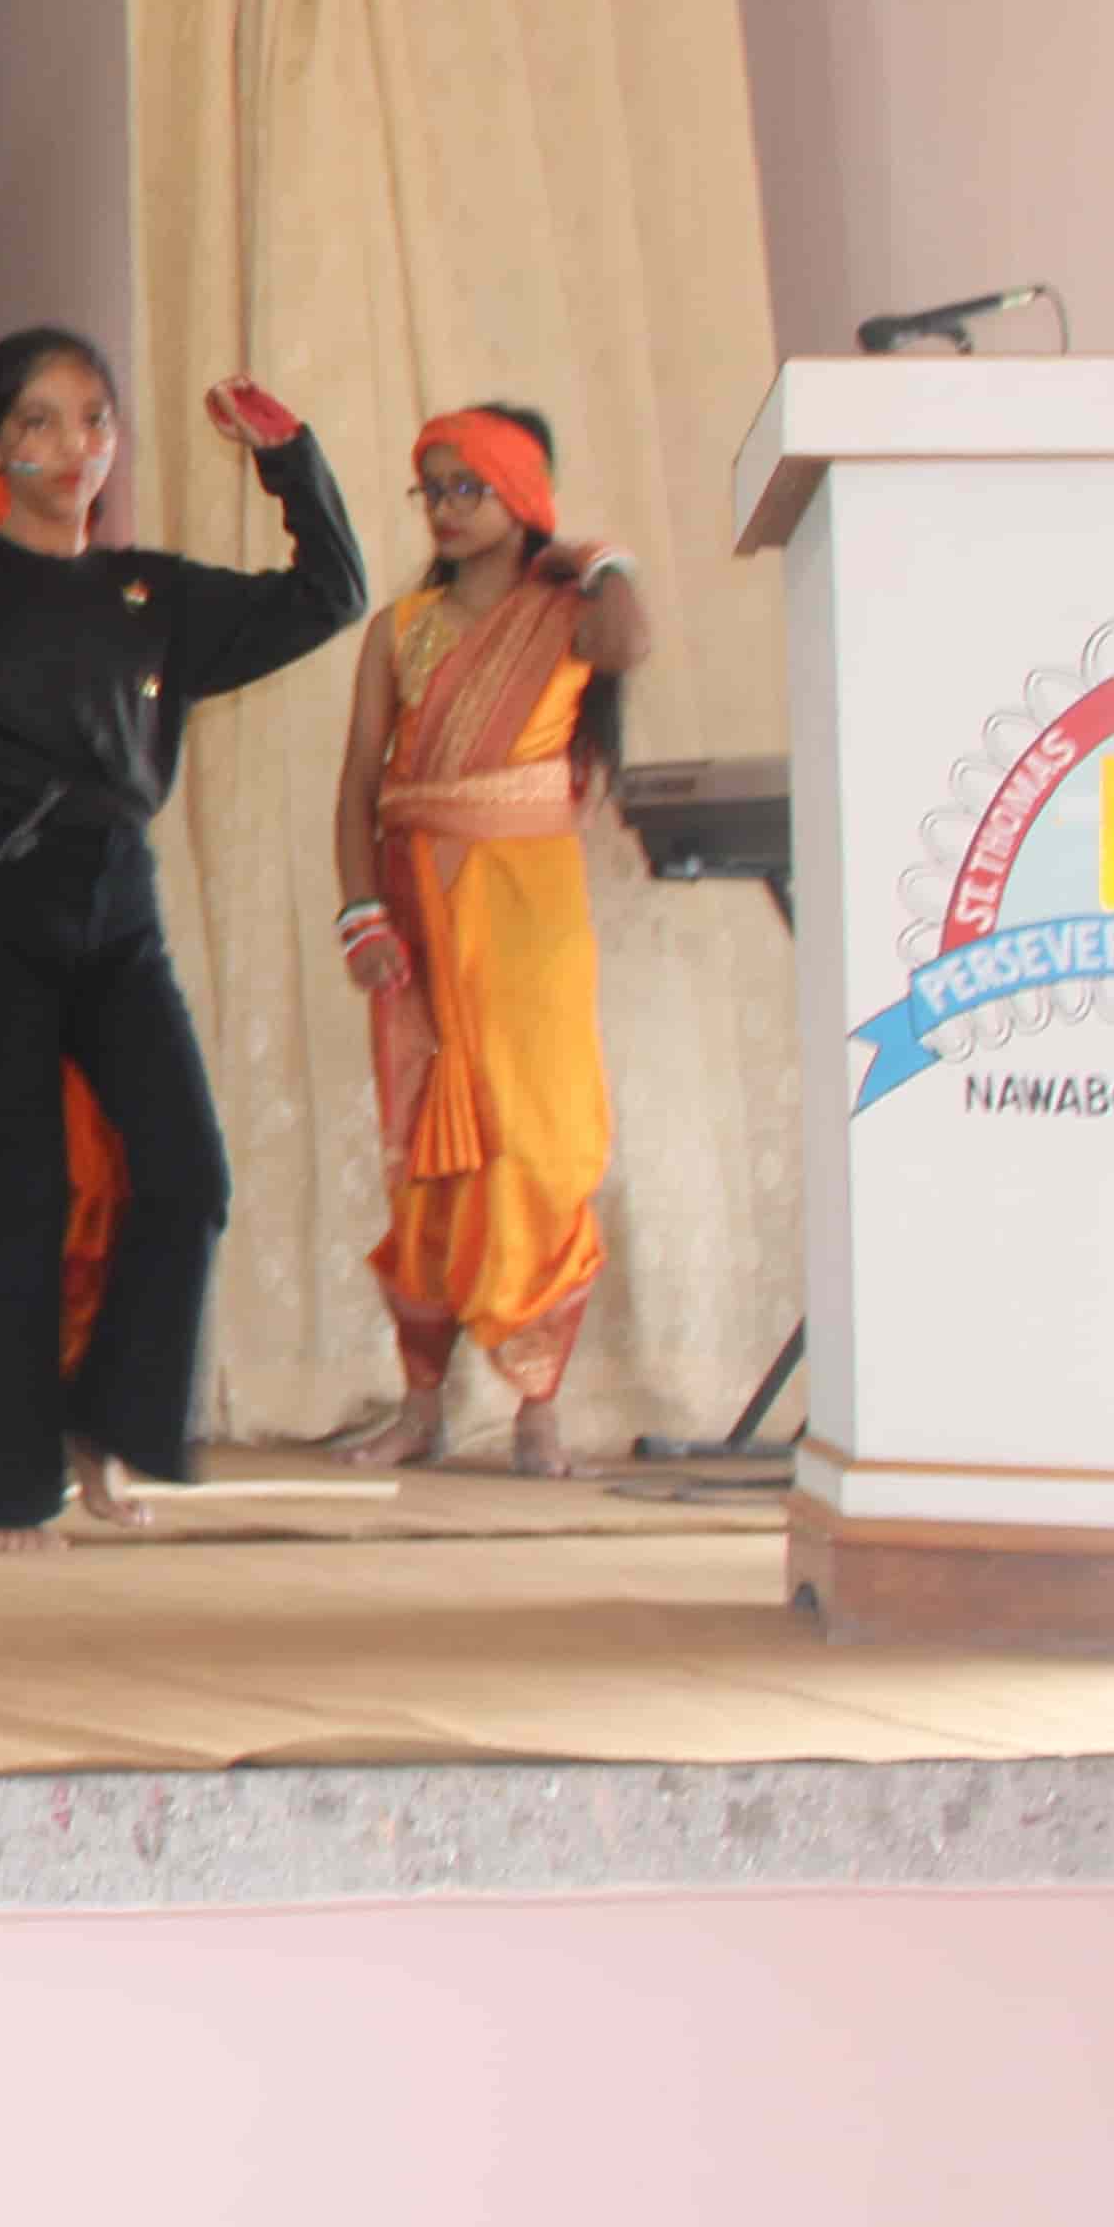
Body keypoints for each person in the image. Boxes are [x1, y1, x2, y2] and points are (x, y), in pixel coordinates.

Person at [0, 329, 365, 1545]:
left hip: (117, 899)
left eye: (94, 417)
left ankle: (109, 1422)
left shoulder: (153, 594)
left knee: (188, 1172)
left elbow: (330, 593)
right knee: (19, 1196)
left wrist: (291, 458)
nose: (73, 443)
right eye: (39, 420)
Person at [324, 405, 644, 1474]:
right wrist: (360, 913)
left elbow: (628, 643)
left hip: (529, 919)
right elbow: (360, 780)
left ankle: (537, 1403)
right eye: (434, 490)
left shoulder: (567, 614)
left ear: (521, 495)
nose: (449, 509)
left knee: (542, 1147)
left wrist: (600, 561)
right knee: (426, 1159)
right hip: (415, 911)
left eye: (471, 487)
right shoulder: (400, 627)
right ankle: (420, 1404)